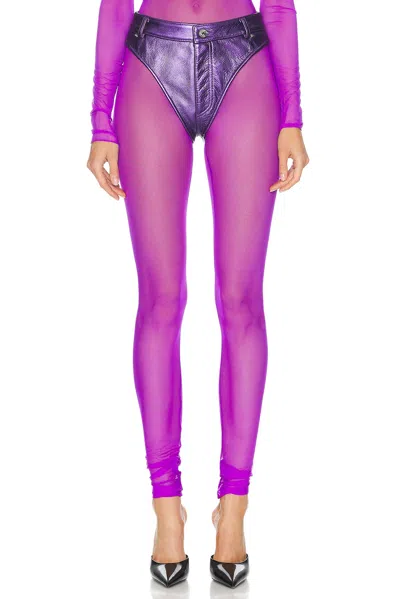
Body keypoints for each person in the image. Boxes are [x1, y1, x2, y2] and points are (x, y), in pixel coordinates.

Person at [86, 0, 309, 588]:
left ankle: (233, 506)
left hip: (246, 61)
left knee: (241, 301)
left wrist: (293, 114)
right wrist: (100, 119)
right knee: (161, 300)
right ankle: (167, 508)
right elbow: (115, 3)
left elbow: (279, 4)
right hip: (149, 62)